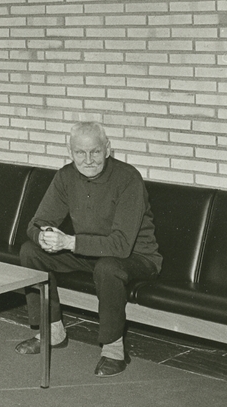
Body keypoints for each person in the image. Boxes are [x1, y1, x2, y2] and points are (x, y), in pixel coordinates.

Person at [15, 123, 162, 376]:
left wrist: (69, 242)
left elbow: (120, 245)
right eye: (80, 153)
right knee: (31, 251)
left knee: (108, 267)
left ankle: (114, 349)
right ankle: (52, 331)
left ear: (108, 149)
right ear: (70, 152)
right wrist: (44, 236)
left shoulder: (128, 178)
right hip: (90, 253)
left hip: (136, 257)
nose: (88, 160)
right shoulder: (65, 176)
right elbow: (36, 223)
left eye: (95, 152)